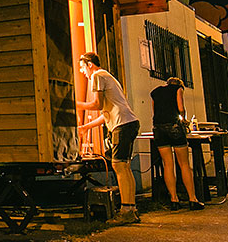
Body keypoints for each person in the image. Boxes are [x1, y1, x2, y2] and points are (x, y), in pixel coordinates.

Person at [76, 51, 141, 224]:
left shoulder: (97, 75)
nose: (83, 72)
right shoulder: (107, 76)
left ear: (89, 65)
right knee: (125, 167)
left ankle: (126, 211)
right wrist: (85, 127)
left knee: (118, 166)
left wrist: (75, 104)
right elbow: (106, 113)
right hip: (129, 122)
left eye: (82, 68)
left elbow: (97, 105)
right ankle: (131, 209)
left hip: (122, 124)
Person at [151, 77, 205, 211]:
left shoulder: (155, 92)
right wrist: (184, 119)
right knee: (184, 164)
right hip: (174, 127)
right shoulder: (178, 89)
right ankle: (192, 199)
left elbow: (154, 112)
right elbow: (180, 108)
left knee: (167, 164)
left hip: (159, 128)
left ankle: (174, 200)